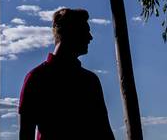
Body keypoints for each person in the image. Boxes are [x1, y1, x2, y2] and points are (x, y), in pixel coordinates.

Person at [18, 8, 115, 140]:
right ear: (70, 33)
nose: (90, 37)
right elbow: (26, 133)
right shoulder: (36, 78)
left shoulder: (90, 81)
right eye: (85, 31)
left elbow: (104, 132)